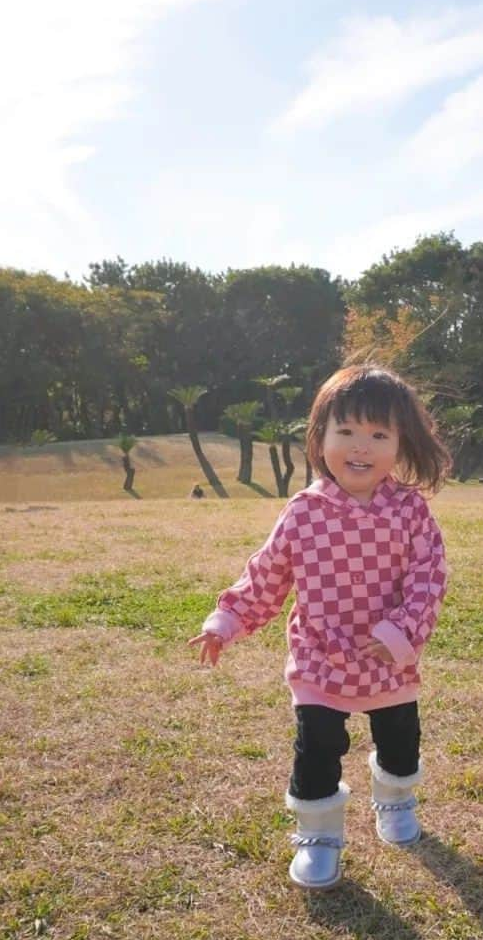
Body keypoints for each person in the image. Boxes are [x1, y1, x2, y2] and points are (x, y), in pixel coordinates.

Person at [189, 365, 451, 890]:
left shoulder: (410, 511)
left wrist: (401, 633)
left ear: (401, 444)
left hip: (387, 659)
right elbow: (267, 574)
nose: (361, 447)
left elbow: (430, 578)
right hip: (319, 658)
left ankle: (395, 800)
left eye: (379, 435)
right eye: (347, 431)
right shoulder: (303, 512)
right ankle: (318, 834)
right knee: (316, 747)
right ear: (321, 436)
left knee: (400, 740)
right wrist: (228, 620)